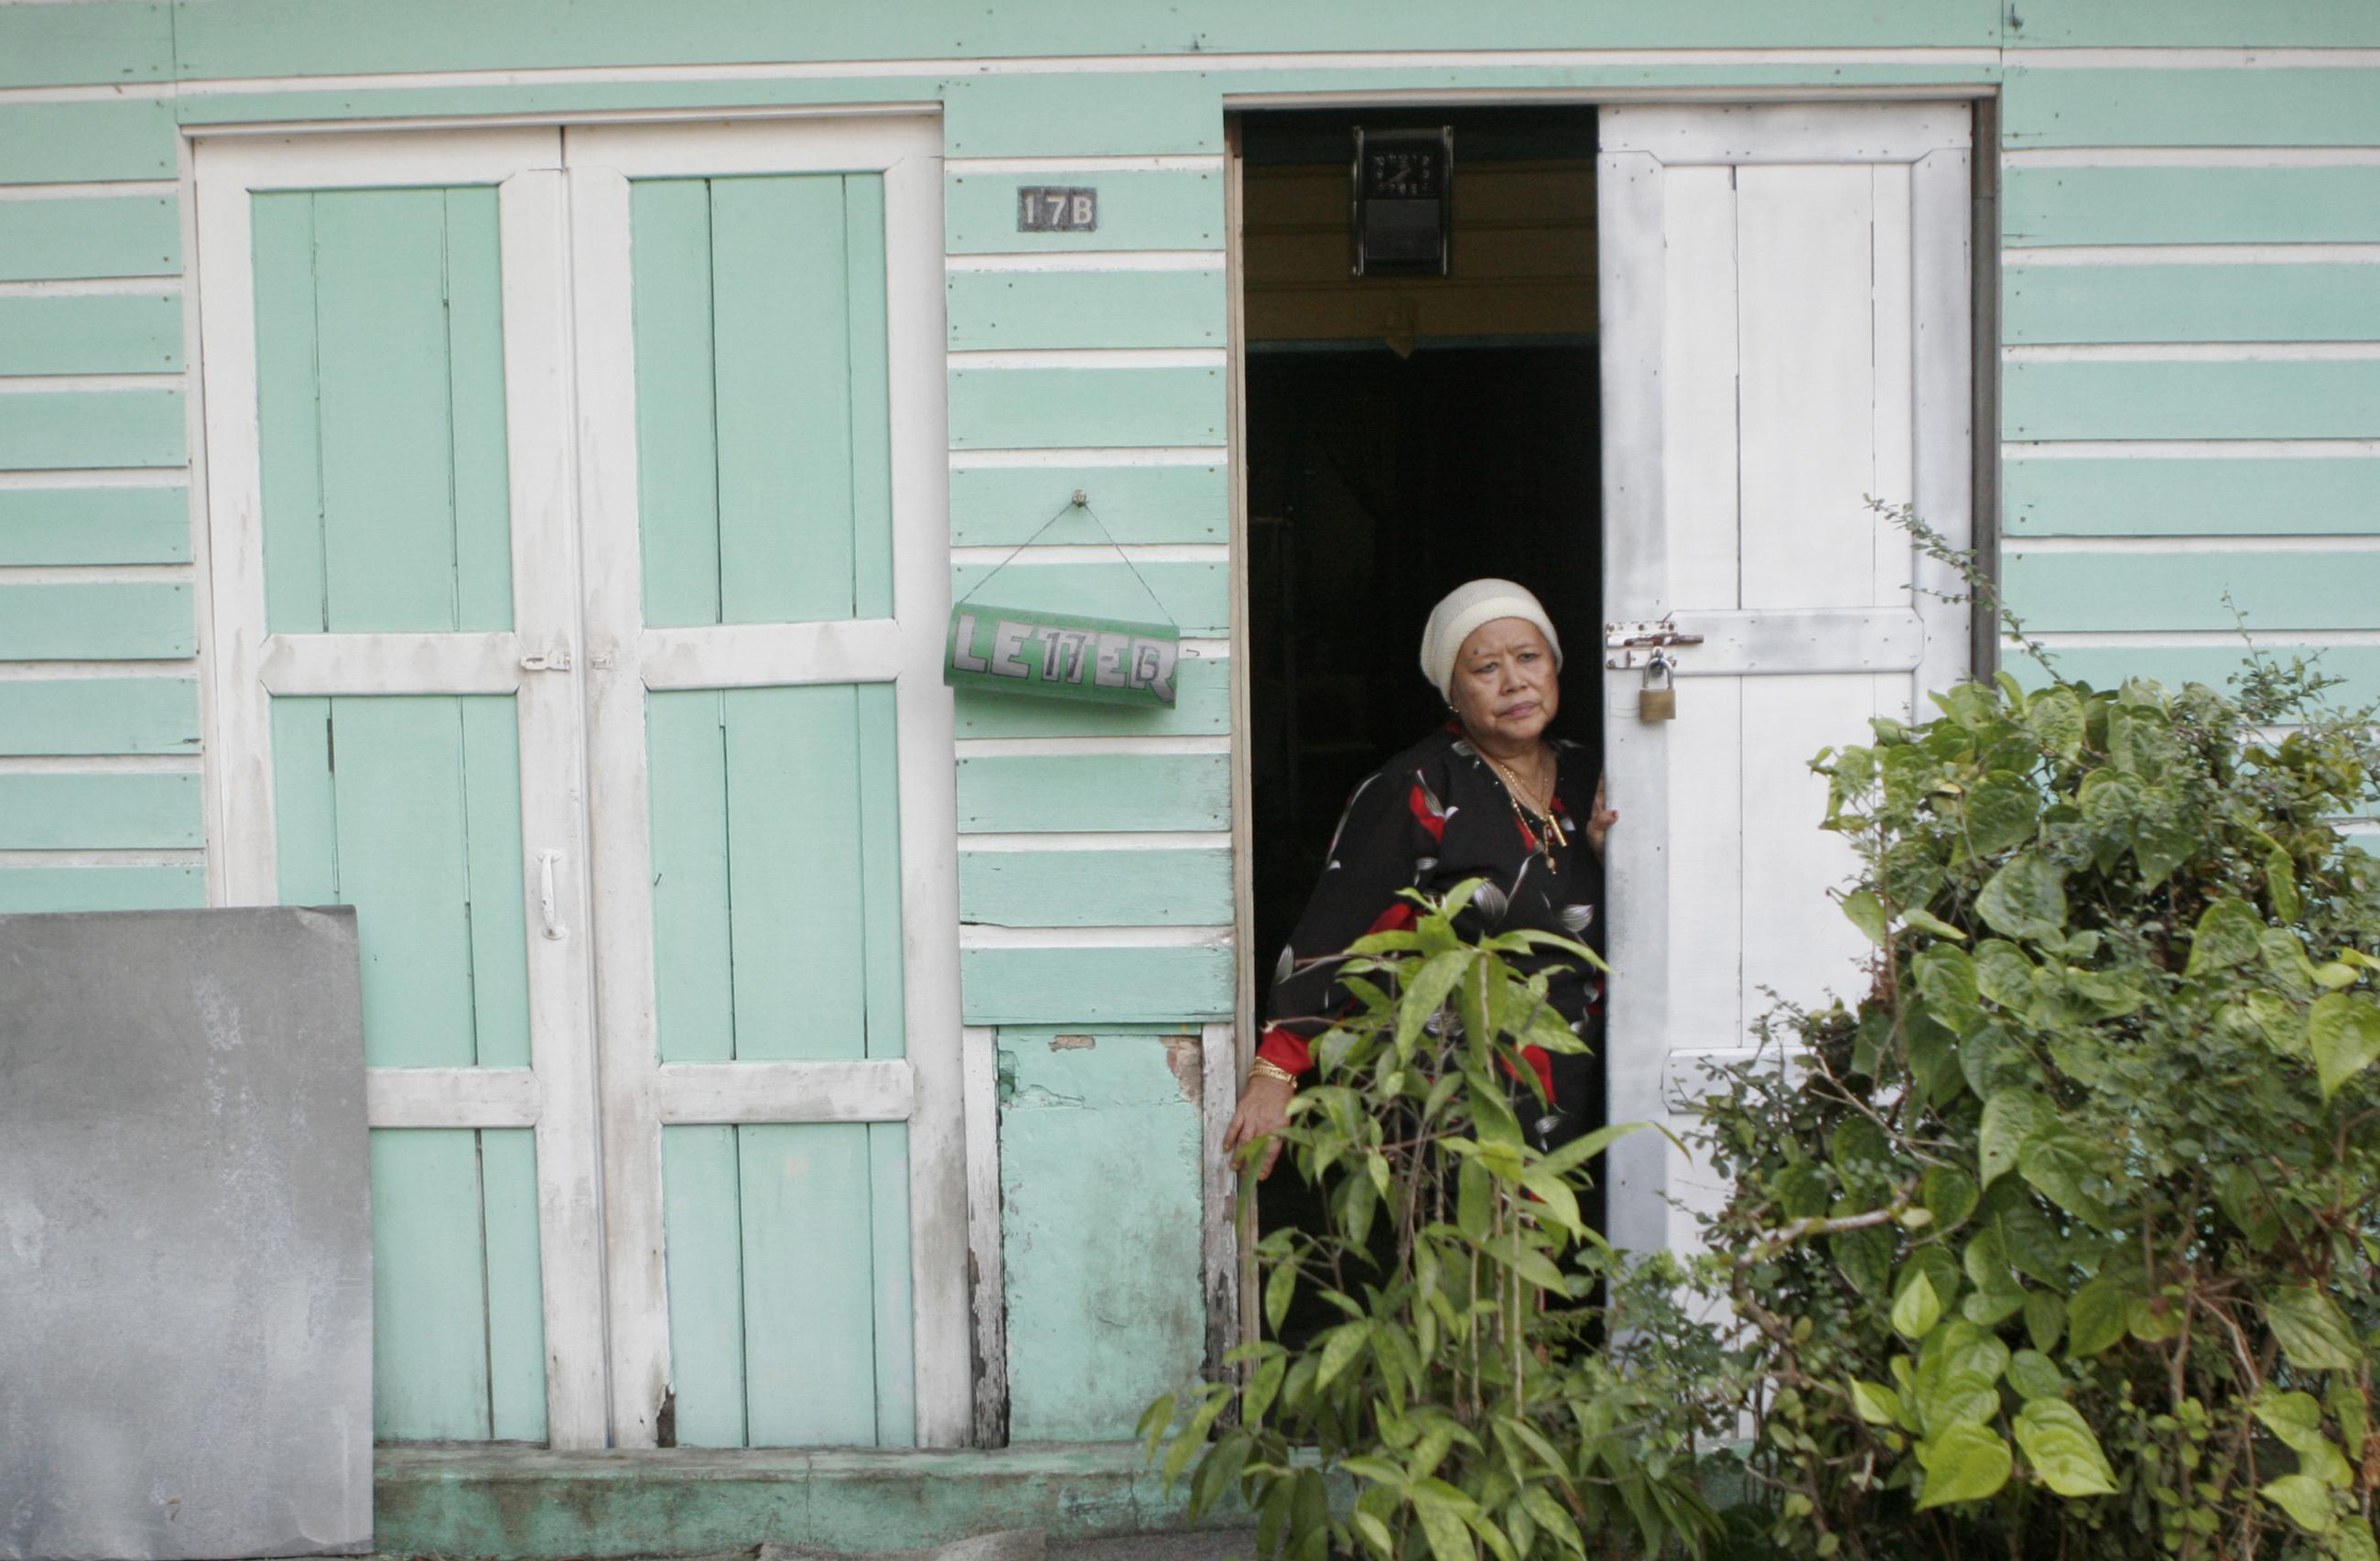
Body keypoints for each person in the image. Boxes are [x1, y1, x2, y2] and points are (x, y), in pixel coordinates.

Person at [1222, 579, 1617, 1183]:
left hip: (1600, 1085)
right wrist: (1275, 1073)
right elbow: (1337, 932)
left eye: (1529, 657)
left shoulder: (1596, 772)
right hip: (1466, 1098)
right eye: (1486, 667)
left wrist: (1612, 857)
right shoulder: (1418, 789)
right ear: (1452, 693)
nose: (1514, 681)